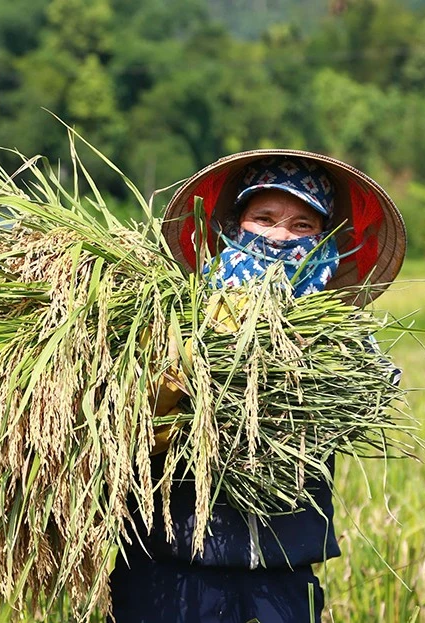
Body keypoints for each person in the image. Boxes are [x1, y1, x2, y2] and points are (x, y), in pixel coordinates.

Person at [109, 152, 407, 623]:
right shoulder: (174, 316)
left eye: (302, 225)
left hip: (282, 568)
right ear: (233, 225)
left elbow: (363, 406)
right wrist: (187, 372)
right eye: (263, 219)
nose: (279, 237)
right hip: (172, 568)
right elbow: (130, 428)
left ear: (324, 239)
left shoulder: (341, 338)